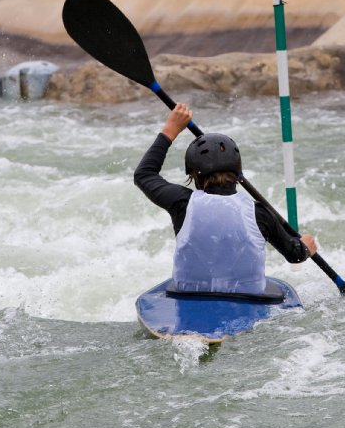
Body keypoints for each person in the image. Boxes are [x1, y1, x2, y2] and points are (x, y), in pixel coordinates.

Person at [133, 103, 317, 295]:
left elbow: (143, 175)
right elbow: (294, 255)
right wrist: (305, 247)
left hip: (190, 298)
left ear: (193, 175)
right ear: (237, 171)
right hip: (247, 302)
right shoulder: (259, 213)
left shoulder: (182, 203)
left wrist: (170, 131)